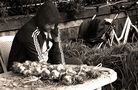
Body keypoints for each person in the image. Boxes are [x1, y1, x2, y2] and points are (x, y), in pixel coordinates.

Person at [7, 0, 65, 70]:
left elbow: (56, 53)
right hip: (22, 69)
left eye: (54, 24)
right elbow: (39, 62)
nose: (53, 27)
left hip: (44, 65)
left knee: (76, 61)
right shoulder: (30, 32)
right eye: (49, 24)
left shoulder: (52, 28)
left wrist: (61, 68)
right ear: (42, 21)